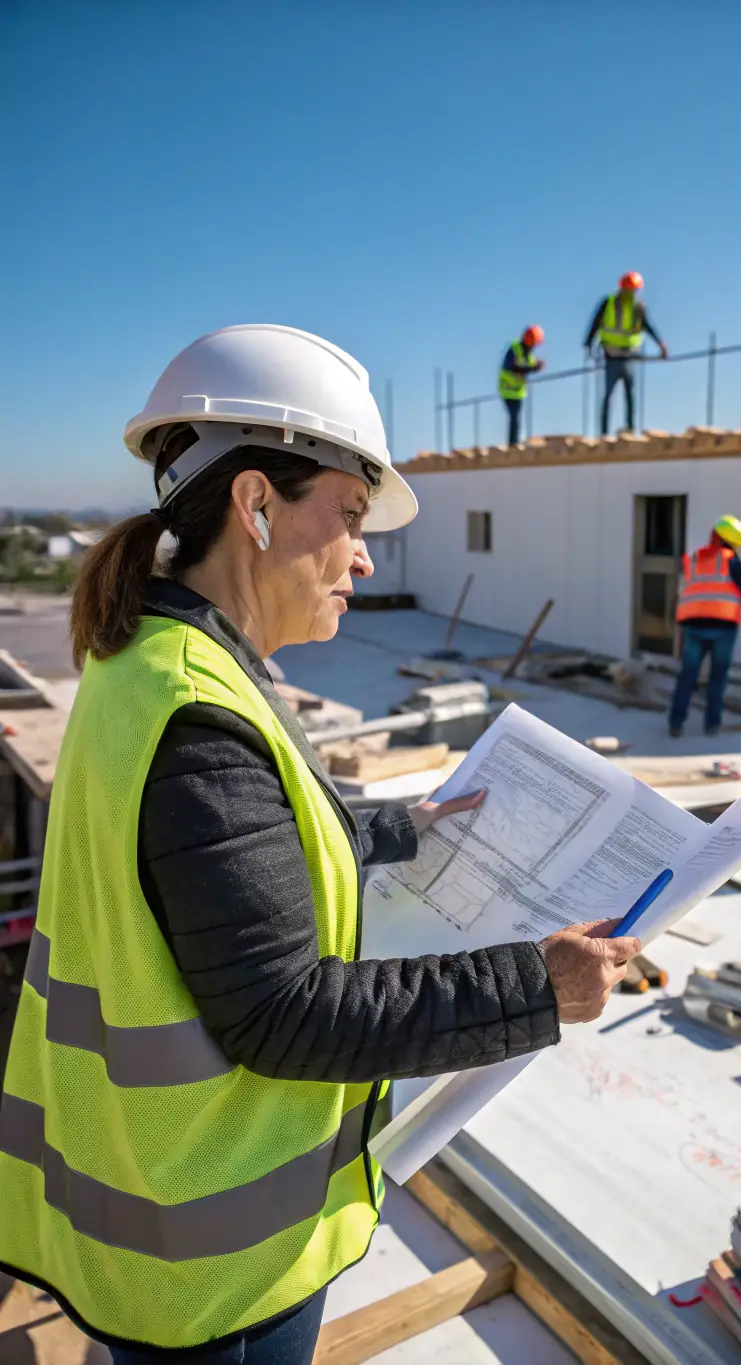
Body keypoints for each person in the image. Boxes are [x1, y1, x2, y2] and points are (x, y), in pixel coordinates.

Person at [0, 324, 640, 1363]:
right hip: (220, 1266)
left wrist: (398, 827)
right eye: (347, 516)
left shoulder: (152, 661)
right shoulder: (200, 721)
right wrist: (537, 985)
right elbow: (286, 1015)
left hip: (162, 1211)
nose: (366, 553)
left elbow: (233, 840)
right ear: (256, 507)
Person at [668, 515, 741, 738]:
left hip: (692, 626)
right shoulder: (730, 561)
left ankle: (676, 723)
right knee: (717, 678)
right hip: (723, 627)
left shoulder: (693, 559)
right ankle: (712, 725)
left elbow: (685, 590)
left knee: (687, 676)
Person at [583, 272, 668, 435]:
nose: (632, 293)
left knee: (630, 394)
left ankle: (629, 429)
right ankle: (604, 433)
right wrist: (588, 344)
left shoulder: (638, 308)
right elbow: (595, 323)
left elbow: (648, 326)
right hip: (612, 356)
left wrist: (661, 344)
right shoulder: (608, 303)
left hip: (629, 356)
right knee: (609, 395)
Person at [498, 324, 545, 445]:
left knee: (516, 418)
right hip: (507, 389)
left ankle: (514, 442)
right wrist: (532, 368)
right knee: (514, 418)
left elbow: (527, 367)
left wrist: (536, 367)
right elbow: (511, 367)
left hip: (518, 391)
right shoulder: (514, 348)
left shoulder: (529, 355)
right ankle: (513, 444)